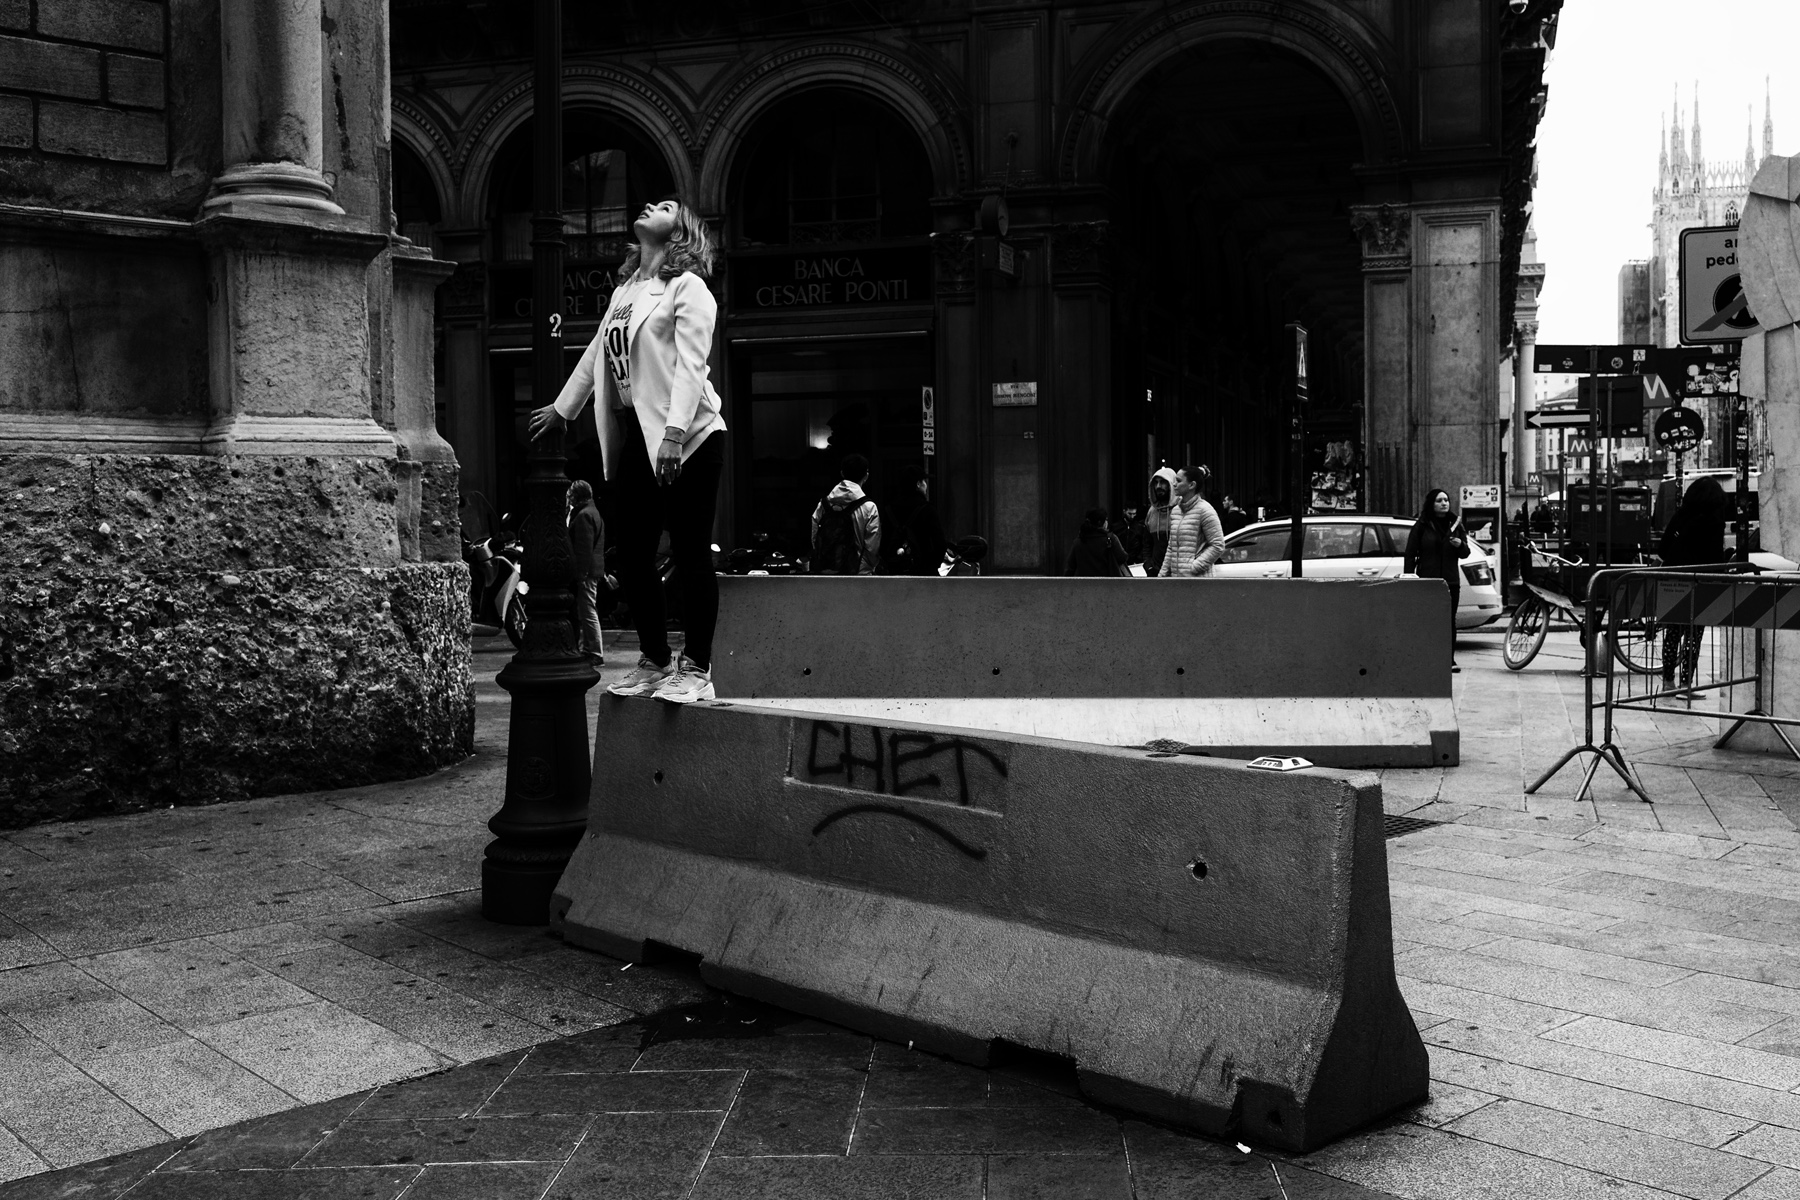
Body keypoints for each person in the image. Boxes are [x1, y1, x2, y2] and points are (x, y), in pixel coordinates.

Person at [529, 195, 726, 705]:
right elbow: (597, 352)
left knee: (690, 550)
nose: (649, 204)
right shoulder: (626, 291)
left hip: (692, 434)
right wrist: (563, 410)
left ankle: (697, 668)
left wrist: (675, 434)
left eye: (665, 206)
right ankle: (655, 661)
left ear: (679, 231)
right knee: (634, 556)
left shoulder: (689, 287)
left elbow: (692, 366)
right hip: (640, 433)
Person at [1656, 475, 1728, 690]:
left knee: (1673, 633)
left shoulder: (1681, 515)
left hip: (1674, 580)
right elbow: (1715, 556)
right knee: (1693, 637)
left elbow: (1664, 547)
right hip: (1700, 582)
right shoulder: (1714, 521)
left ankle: (1668, 681)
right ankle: (1686, 684)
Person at [1403, 488, 1468, 673]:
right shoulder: (1422, 525)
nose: (1444, 503)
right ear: (1431, 503)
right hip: (1428, 581)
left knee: (1449, 621)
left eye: (1446, 500)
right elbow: (1410, 553)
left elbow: (1465, 553)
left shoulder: (1456, 524)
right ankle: (1427, 658)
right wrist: (1409, 577)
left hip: (1450, 582)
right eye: (1439, 500)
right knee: (1428, 620)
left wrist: (1460, 545)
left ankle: (1449, 660)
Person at [565, 480, 615, 667]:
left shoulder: (584, 515)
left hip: (587, 571)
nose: (568, 498)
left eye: (570, 495)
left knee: (587, 611)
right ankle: (589, 649)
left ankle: (594, 652)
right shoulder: (592, 512)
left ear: (576, 496)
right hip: (593, 569)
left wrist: (581, 574)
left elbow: (583, 549)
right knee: (587, 610)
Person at [811, 454, 881, 575]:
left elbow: (815, 538)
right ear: (866, 476)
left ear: (842, 473)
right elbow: (872, 548)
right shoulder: (869, 507)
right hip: (859, 574)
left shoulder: (823, 504)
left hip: (826, 573)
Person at [1157, 465, 1226, 578]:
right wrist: (1162, 575)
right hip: (1178, 580)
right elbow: (1171, 547)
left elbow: (1218, 545)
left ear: (1192, 485)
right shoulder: (1175, 511)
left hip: (1199, 581)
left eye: (1178, 481)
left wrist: (1193, 567)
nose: (1174, 484)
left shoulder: (1205, 510)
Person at [894, 464, 946, 576]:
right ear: (918, 484)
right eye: (924, 481)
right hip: (925, 572)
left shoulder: (890, 510)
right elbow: (940, 544)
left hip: (895, 573)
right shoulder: (928, 510)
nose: (926, 485)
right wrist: (933, 566)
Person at [1066, 507, 1130, 576]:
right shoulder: (1110, 539)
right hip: (1108, 581)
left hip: (1085, 581)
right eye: (1106, 520)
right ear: (1101, 522)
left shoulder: (1078, 541)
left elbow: (1070, 567)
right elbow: (1123, 557)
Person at [1143, 467, 1178, 575]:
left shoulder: (1182, 509)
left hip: (1178, 573)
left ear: (1172, 484)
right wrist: (1148, 565)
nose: (1158, 486)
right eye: (1156, 482)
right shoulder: (1151, 512)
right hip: (1156, 573)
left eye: (1163, 482)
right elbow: (1147, 543)